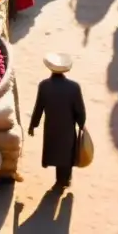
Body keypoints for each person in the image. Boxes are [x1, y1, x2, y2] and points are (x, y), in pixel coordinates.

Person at [29, 53, 86, 191]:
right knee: (67, 153)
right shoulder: (74, 87)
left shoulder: (44, 86)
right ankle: (65, 180)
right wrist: (81, 124)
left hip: (51, 127)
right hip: (67, 127)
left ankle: (59, 180)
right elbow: (80, 110)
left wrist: (33, 125)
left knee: (55, 151)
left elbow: (39, 108)